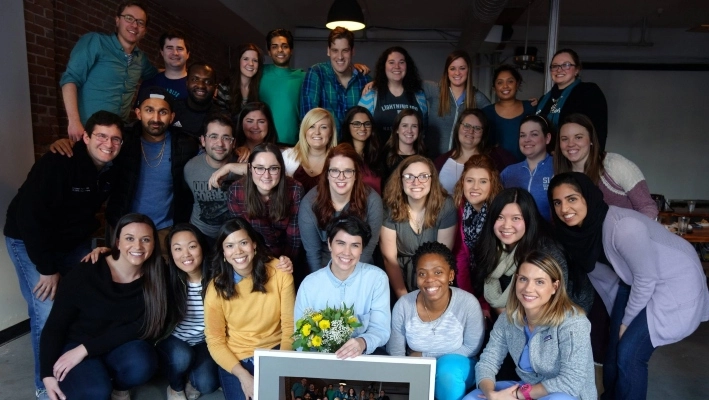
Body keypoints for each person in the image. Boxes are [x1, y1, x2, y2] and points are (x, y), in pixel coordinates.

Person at [548, 172, 709, 400]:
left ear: (588, 197)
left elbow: (646, 278)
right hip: (635, 281)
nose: (564, 208)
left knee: (630, 354)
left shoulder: (623, 227)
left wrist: (625, 322)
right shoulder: (577, 235)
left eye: (572, 198)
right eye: (557, 202)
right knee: (613, 351)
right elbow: (606, 283)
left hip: (674, 281)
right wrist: (618, 322)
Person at [5, 110, 124, 400]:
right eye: (101, 136)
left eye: (115, 139)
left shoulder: (112, 169)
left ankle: (75, 367)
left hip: (73, 242)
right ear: (85, 137)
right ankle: (43, 386)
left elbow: (115, 212)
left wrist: (108, 245)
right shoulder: (59, 162)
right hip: (29, 239)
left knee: (84, 301)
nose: (108, 144)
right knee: (46, 310)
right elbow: (28, 217)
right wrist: (47, 268)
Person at [40, 213, 168, 400]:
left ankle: (118, 386)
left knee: (143, 363)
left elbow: (142, 325)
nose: (138, 246)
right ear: (118, 242)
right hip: (77, 344)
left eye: (146, 240)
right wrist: (46, 375)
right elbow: (54, 326)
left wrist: (88, 348)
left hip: (116, 344)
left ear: (154, 244)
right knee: (96, 392)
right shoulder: (87, 271)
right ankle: (95, 377)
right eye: (129, 238)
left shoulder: (157, 275)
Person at [463, 251, 597, 400]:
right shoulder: (508, 318)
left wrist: (519, 394)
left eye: (539, 282)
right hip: (526, 388)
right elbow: (487, 362)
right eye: (523, 279)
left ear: (555, 286)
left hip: (564, 394)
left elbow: (571, 381)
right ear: (515, 280)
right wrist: (492, 395)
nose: (528, 288)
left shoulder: (573, 322)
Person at [204, 217, 295, 400]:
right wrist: (243, 376)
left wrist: (280, 365)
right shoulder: (216, 288)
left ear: (253, 245)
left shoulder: (280, 274)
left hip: (275, 351)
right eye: (229, 246)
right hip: (238, 358)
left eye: (243, 243)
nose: (238, 251)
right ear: (223, 253)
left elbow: (290, 327)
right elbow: (215, 341)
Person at [474, 188, 593, 316]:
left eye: (516, 218)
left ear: (529, 219)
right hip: (514, 312)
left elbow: (552, 302)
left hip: (563, 312)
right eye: (500, 217)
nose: (506, 225)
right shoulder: (492, 246)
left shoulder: (547, 252)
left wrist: (506, 316)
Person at [388, 242, 485, 400]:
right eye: (422, 274)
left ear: (451, 275)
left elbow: (471, 348)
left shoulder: (467, 303)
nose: (430, 280)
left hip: (458, 369)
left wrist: (425, 355)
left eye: (438, 272)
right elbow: (396, 353)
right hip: (419, 369)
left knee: (447, 369)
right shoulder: (403, 306)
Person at [295, 215, 391, 357]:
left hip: (364, 358)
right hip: (320, 363)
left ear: (362, 249)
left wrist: (362, 342)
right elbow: (300, 336)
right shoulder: (310, 285)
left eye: (355, 245)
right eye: (340, 243)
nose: (347, 252)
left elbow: (381, 329)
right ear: (329, 244)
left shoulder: (377, 279)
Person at [60, 1, 157, 140]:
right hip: (87, 131)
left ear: (145, 30)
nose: (134, 25)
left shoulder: (141, 59)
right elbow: (70, 79)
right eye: (129, 18)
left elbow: (158, 74)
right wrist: (74, 122)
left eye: (140, 22)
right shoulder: (96, 42)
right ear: (117, 20)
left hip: (117, 135)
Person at [555, 113, 657, 219]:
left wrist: (631, 233)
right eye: (564, 139)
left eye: (578, 137)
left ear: (591, 140)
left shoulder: (615, 165)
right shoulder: (560, 177)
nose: (571, 144)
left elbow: (647, 207)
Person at [299, 144, 383, 272]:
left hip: (360, 267)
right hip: (324, 269)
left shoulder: (372, 200)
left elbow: (368, 248)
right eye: (335, 171)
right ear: (327, 174)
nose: (341, 177)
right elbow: (313, 254)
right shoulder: (310, 203)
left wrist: (352, 279)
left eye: (348, 171)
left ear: (356, 175)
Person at [381, 155, 457, 298]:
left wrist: (429, 294)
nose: (416, 182)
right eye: (409, 176)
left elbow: (441, 257)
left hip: (434, 278)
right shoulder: (390, 207)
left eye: (423, 176)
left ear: (432, 179)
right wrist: (403, 296)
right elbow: (389, 258)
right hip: (398, 279)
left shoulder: (446, 206)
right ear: (401, 180)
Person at [160, 224, 219, 400]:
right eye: (177, 249)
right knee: (181, 357)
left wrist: (281, 262)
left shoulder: (217, 276)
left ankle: (190, 375)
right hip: (173, 339)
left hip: (203, 340)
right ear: (171, 254)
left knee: (207, 385)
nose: (185, 254)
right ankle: (176, 386)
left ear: (202, 247)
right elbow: (133, 262)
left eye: (192, 246)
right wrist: (105, 252)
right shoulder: (165, 276)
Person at [228, 143, 304, 260]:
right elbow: (242, 235)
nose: (266, 175)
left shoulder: (295, 190)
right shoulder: (236, 191)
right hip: (253, 255)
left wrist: (286, 261)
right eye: (259, 168)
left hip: (286, 255)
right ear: (250, 168)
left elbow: (293, 238)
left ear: (281, 169)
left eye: (273, 168)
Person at [536, 48, 608, 151]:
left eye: (566, 65)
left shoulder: (588, 91)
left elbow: (599, 130)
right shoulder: (544, 99)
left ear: (577, 69)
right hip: (545, 160)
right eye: (555, 66)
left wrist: (594, 159)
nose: (559, 69)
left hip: (575, 159)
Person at [423, 50, 491, 159]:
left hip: (462, 162)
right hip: (432, 160)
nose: (457, 73)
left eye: (462, 68)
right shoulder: (435, 90)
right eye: (452, 68)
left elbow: (497, 116)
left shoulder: (477, 97)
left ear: (468, 70)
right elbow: (407, 84)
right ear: (447, 71)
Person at [301, 27, 371, 130]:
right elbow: (308, 118)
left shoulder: (364, 80)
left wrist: (377, 83)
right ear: (328, 51)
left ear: (352, 51)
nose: (340, 57)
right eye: (335, 50)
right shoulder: (317, 73)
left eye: (345, 51)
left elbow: (371, 122)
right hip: (325, 144)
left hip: (355, 146)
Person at [452, 155, 503, 295]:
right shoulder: (457, 209)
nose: (475, 187)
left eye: (483, 182)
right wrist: (470, 298)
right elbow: (460, 257)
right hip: (467, 283)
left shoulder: (502, 212)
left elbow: (500, 262)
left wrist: (486, 303)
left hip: (498, 284)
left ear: (492, 183)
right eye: (470, 180)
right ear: (462, 182)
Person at [185, 113, 239, 242]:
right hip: (199, 235)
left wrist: (233, 167)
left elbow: (268, 173)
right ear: (203, 141)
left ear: (233, 143)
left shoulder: (241, 166)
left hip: (233, 237)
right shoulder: (190, 167)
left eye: (226, 138)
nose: (219, 143)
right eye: (213, 137)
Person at [434, 108, 515, 194]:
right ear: (458, 128)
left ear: (483, 133)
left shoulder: (497, 158)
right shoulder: (440, 161)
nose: (471, 131)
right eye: (466, 126)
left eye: (477, 128)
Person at [358, 46, 428, 144]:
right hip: (379, 157)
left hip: (412, 157)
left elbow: (423, 130)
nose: (397, 66)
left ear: (407, 66)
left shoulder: (419, 95)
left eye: (401, 62)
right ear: (384, 66)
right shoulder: (370, 95)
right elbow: (359, 128)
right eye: (391, 62)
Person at [500, 115, 554, 221]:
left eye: (534, 134)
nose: (527, 140)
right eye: (522, 135)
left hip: (549, 236)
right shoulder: (508, 172)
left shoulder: (560, 166)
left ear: (547, 138)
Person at [259, 29, 306, 146]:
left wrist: (352, 68)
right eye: (274, 47)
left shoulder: (303, 76)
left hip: (294, 145)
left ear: (291, 51)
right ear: (269, 51)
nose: (280, 50)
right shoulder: (259, 73)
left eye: (284, 46)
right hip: (263, 143)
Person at [482, 64, 536, 161]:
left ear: (517, 84)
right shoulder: (486, 113)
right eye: (500, 82)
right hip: (496, 169)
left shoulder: (531, 108)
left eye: (510, 81)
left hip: (528, 168)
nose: (505, 86)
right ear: (494, 88)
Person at [282, 108, 338, 193]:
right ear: (304, 131)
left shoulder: (339, 160)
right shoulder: (287, 156)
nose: (317, 132)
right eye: (311, 126)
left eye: (323, 127)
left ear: (331, 133)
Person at [170, 62, 221, 139]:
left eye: (208, 82)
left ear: (215, 87)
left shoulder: (221, 117)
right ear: (187, 83)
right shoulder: (172, 109)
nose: (201, 85)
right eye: (195, 79)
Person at [137, 30, 190, 101]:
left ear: (188, 54)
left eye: (180, 49)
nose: (175, 53)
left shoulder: (195, 86)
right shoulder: (149, 82)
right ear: (162, 52)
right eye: (169, 48)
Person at [340, 106, 383, 195]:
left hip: (376, 206)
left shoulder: (378, 155)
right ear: (348, 126)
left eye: (367, 124)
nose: (363, 128)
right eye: (356, 124)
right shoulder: (340, 155)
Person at [380, 109, 426, 188]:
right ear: (397, 129)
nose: (409, 130)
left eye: (414, 126)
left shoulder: (425, 157)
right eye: (405, 125)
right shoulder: (385, 156)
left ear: (419, 131)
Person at [215, 43, 264, 117]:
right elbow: (219, 119)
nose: (251, 63)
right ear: (238, 61)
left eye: (255, 60)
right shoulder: (224, 88)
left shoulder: (260, 90)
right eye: (246, 59)